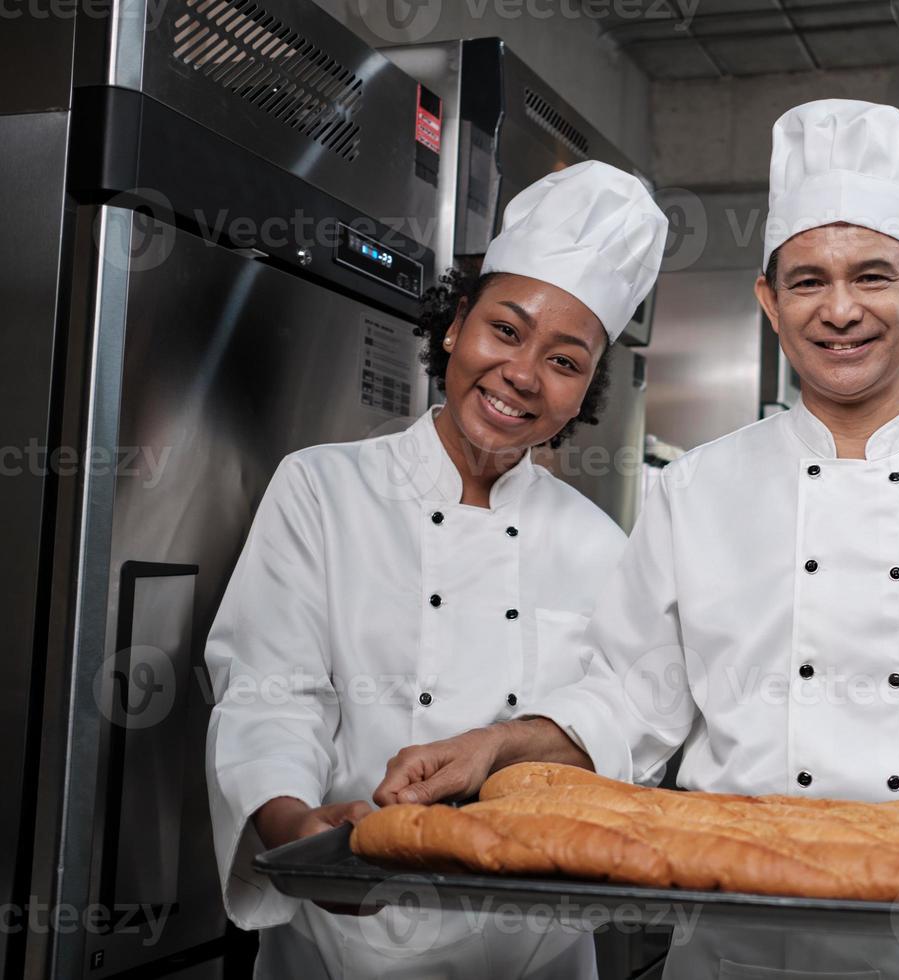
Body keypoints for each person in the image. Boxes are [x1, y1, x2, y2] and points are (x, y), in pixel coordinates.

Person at [375, 100, 899, 977]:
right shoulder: (695, 492)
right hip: (738, 953)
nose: (839, 311)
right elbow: (626, 702)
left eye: (872, 276)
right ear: (769, 300)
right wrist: (498, 745)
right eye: (807, 281)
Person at [204, 160, 667, 978]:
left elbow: (628, 729)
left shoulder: (602, 545)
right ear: (457, 324)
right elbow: (271, 692)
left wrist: (509, 747)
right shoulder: (324, 488)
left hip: (534, 951)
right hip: (340, 941)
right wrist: (292, 828)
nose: (522, 375)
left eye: (566, 361)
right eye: (507, 330)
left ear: (587, 388)